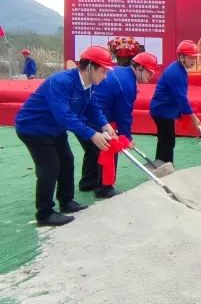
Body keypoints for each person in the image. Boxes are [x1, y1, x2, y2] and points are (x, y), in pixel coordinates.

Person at [14, 45, 115, 226]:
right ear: (90, 67)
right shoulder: (60, 82)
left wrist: (104, 124)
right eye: (103, 71)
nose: (105, 76)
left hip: (55, 128)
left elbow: (93, 107)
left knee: (67, 161)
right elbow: (64, 114)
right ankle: (45, 214)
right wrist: (92, 134)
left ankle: (66, 201)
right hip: (34, 128)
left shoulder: (89, 85)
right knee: (50, 167)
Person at [77, 52, 158, 198]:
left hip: (86, 114)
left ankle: (88, 182)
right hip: (92, 117)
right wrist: (126, 137)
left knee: (92, 150)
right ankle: (104, 188)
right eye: (149, 72)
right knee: (109, 147)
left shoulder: (122, 72)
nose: (151, 76)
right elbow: (124, 114)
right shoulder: (127, 84)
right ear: (139, 67)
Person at [149, 40, 201, 164]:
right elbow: (181, 98)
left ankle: (161, 164)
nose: (194, 60)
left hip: (163, 109)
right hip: (162, 111)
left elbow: (182, 96)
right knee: (168, 140)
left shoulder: (179, 68)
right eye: (191, 57)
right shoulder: (175, 72)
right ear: (181, 57)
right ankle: (165, 166)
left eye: (195, 57)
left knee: (165, 139)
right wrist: (193, 117)